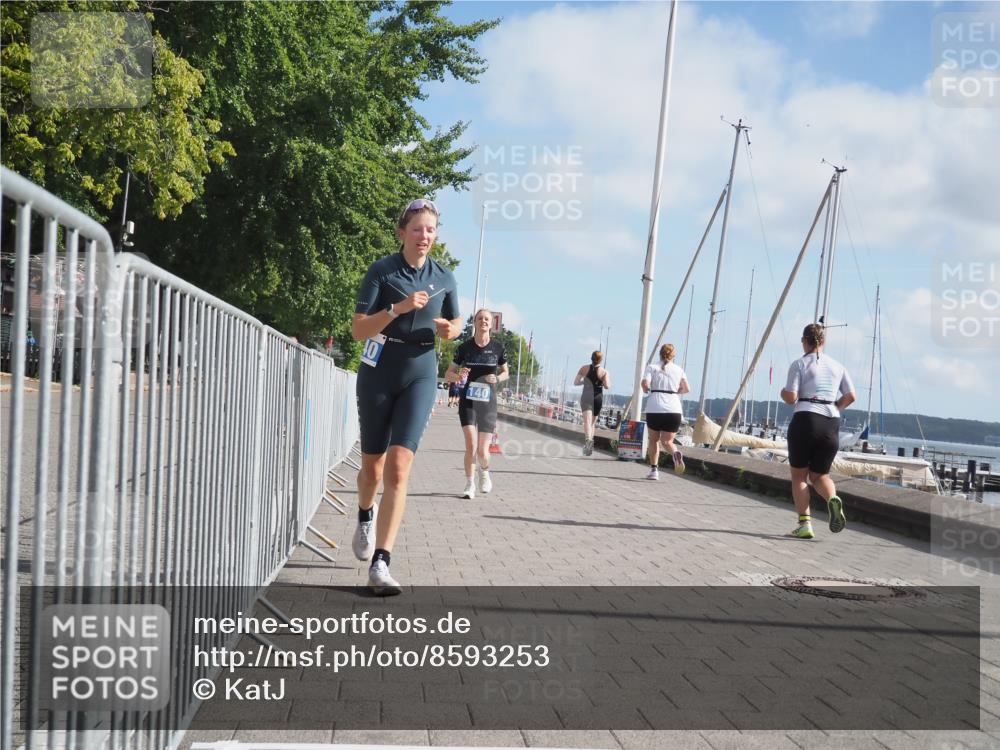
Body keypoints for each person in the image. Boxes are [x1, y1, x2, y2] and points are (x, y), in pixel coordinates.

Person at [351, 198, 463, 594]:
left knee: (399, 468)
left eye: (430, 229)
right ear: (402, 232)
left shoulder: (444, 277)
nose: (424, 236)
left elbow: (455, 320)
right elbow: (358, 329)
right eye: (417, 228)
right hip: (379, 371)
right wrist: (396, 309)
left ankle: (381, 564)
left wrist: (452, 331)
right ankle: (365, 513)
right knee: (373, 470)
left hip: (420, 372)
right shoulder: (382, 271)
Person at [780, 323, 856, 540]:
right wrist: (835, 407)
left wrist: (782, 393)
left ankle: (805, 524)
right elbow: (851, 396)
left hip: (805, 418)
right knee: (820, 475)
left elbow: (791, 397)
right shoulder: (838, 366)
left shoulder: (799, 364)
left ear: (805, 341)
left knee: (799, 476)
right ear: (823, 342)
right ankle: (832, 498)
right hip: (831, 420)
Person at [445, 309, 509, 498]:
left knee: (483, 451)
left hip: (488, 402)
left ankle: (485, 472)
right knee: (471, 446)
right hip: (468, 401)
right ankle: (469, 483)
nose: (483, 321)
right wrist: (458, 376)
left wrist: (497, 377)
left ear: (491, 323)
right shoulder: (464, 347)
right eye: (480, 318)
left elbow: (506, 372)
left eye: (487, 319)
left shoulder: (498, 348)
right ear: (475, 322)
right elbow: (449, 373)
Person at [640, 343, 690, 480]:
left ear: (660, 353)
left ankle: (654, 471)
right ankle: (675, 453)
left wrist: (646, 390)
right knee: (667, 442)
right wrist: (675, 391)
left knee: (654, 440)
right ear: (673, 355)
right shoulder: (679, 370)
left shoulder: (652, 367)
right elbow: (686, 388)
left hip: (655, 407)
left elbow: (645, 383)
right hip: (674, 408)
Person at [573, 351, 610, 456]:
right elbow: (608, 386)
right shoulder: (604, 372)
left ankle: (588, 441)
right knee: (592, 423)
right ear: (601, 360)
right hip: (597, 397)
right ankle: (590, 444)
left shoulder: (584, 368)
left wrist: (584, 381)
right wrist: (601, 381)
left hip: (587, 396)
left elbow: (575, 382)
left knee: (587, 422)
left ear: (591, 358)